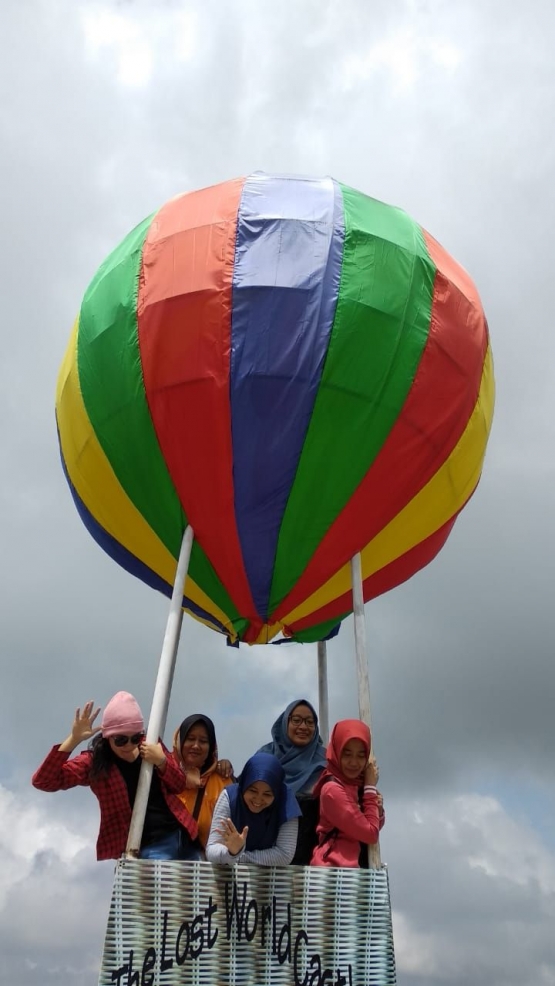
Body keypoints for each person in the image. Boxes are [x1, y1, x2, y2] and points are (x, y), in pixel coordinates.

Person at [32, 693, 199, 861]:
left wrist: (162, 761)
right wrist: (73, 739)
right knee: (162, 886)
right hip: (148, 846)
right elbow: (44, 781)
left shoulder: (150, 745)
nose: (128, 745)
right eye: (120, 740)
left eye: (134, 738)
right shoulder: (94, 762)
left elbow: (179, 785)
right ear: (108, 737)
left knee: (203, 884)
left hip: (182, 833)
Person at [258, 699, 326, 864]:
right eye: (296, 720)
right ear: (285, 722)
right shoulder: (265, 758)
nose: (303, 727)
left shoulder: (327, 761)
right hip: (267, 860)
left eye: (310, 722)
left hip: (314, 862)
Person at [310, 719, 384, 868]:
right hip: (331, 876)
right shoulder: (332, 790)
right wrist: (370, 789)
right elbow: (370, 833)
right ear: (336, 752)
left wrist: (378, 808)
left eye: (361, 755)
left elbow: (374, 824)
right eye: (347, 754)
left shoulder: (356, 786)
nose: (354, 762)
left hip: (351, 876)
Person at [205, 752, 301, 866]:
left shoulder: (287, 803)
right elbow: (211, 850)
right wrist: (230, 852)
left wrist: (238, 855)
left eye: (267, 794)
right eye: (253, 791)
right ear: (244, 784)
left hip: (268, 879)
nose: (258, 800)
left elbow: (285, 855)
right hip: (229, 878)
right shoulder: (229, 797)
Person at [172, 713, 234, 852]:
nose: (196, 746)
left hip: (207, 869)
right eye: (190, 739)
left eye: (203, 741)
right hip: (160, 867)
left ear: (211, 746)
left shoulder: (223, 782)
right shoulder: (164, 773)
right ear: (179, 741)